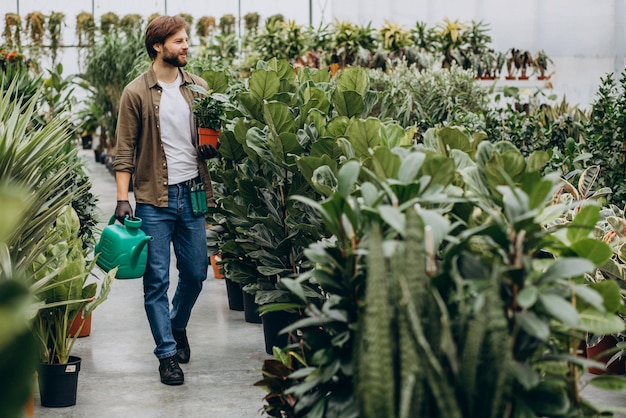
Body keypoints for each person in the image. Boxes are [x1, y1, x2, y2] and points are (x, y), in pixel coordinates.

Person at [113, 15, 218, 386]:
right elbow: (123, 149)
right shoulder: (136, 92)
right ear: (158, 47)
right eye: (178, 41)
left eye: (186, 39)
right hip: (153, 200)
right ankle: (167, 354)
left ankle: (178, 323)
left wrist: (212, 148)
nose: (186, 46)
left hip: (192, 195)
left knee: (195, 272)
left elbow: (210, 137)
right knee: (156, 280)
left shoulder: (200, 88)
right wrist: (122, 199)